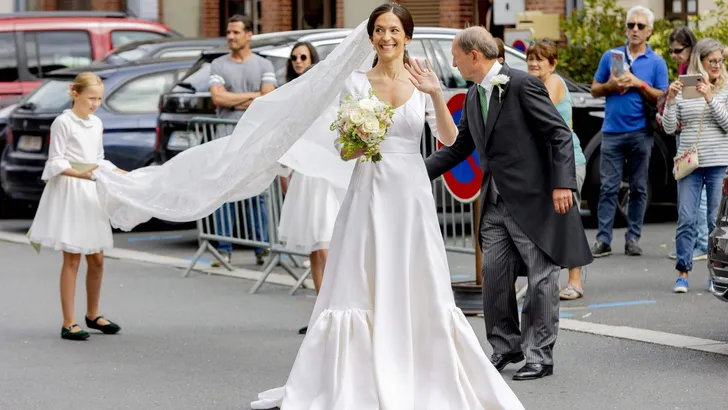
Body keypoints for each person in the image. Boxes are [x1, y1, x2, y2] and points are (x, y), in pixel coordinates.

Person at [251, 4, 524, 409]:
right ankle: (357, 376)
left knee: (416, 277)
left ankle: (424, 370)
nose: (386, 37)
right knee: (363, 280)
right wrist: (361, 138)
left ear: (407, 37)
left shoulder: (423, 81)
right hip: (368, 192)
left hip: (410, 195)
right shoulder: (356, 84)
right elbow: (345, 152)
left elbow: (449, 141)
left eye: (394, 30)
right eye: (379, 30)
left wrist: (435, 93)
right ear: (371, 37)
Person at [426, 27, 592, 380]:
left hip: (533, 199)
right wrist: (413, 172)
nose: (453, 61)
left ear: (474, 55)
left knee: (541, 280)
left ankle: (539, 355)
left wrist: (563, 183)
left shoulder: (521, 84)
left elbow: (559, 133)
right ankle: (505, 347)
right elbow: (460, 148)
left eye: (456, 55)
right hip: (494, 203)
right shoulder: (473, 96)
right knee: (495, 278)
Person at [28, 72, 127, 340]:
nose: (95, 104)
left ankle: (93, 314)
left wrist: (120, 173)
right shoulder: (63, 122)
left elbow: (99, 159)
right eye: (91, 98)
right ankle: (68, 321)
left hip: (90, 190)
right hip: (71, 189)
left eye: (99, 99)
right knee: (72, 256)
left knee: (96, 257)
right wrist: (80, 174)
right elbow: (56, 161)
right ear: (75, 94)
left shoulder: (96, 123)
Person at [590, 6, 669, 258]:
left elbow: (663, 96)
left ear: (650, 32)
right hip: (612, 131)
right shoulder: (611, 56)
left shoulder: (656, 62)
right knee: (608, 187)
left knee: (638, 187)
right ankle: (603, 239)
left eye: (640, 26)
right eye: (631, 25)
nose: (634, 29)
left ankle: (633, 238)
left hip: (641, 132)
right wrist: (610, 85)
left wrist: (639, 83)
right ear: (626, 28)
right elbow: (594, 89)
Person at [277, 42, 344, 335]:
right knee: (315, 250)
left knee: (326, 244)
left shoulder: (327, 94)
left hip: (327, 175)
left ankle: (333, 309)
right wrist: (284, 169)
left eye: (303, 57)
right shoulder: (292, 96)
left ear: (314, 61)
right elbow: (286, 134)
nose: (298, 62)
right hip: (304, 175)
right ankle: (321, 311)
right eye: (294, 58)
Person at [209, 14, 277, 267]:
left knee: (255, 191)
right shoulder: (218, 65)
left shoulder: (263, 65)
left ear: (249, 35)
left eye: (236, 32)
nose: (230, 37)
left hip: (253, 138)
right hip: (225, 138)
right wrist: (253, 96)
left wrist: (234, 97)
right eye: (228, 32)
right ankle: (223, 248)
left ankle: (261, 247)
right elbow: (218, 99)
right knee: (224, 191)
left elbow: (267, 98)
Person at [663, 38, 728, 293]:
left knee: (715, 221)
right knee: (686, 218)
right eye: (711, 61)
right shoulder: (685, 87)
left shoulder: (724, 88)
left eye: (720, 61)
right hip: (689, 163)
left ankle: (714, 274)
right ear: (699, 61)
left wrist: (711, 98)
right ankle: (683, 272)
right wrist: (670, 100)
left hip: (718, 162)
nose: (716, 65)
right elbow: (669, 128)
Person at [526, 41, 588, 300]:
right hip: (546, 163)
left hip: (568, 161)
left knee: (568, 219)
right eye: (530, 58)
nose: (533, 63)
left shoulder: (553, 83)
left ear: (553, 64)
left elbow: (537, 111)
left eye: (540, 59)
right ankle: (548, 281)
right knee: (551, 220)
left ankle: (575, 281)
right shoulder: (532, 85)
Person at [660, 27, 710, 262]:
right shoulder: (684, 69)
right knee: (690, 195)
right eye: (671, 51)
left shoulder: (700, 70)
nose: (675, 55)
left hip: (698, 138)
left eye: (679, 50)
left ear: (692, 48)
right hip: (685, 133)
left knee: (698, 195)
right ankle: (695, 244)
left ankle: (702, 244)